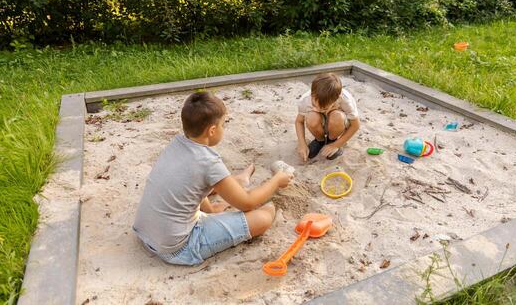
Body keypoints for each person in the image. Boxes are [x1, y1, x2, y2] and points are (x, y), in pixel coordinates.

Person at [133, 91, 292, 265]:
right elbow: (247, 202)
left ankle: (237, 182)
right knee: (264, 217)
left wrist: (211, 210)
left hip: (145, 233)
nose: (224, 128)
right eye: (224, 124)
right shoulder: (208, 161)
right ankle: (238, 184)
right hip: (177, 247)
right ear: (212, 130)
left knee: (200, 185)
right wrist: (277, 180)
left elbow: (193, 187)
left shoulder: (176, 143)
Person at [295, 73, 360, 161]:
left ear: (337, 99)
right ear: (312, 94)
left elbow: (355, 125)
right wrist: (302, 144)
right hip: (319, 121)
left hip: (337, 122)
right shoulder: (305, 99)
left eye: (323, 108)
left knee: (337, 116)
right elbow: (299, 121)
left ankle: (332, 140)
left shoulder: (346, 100)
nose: (317, 109)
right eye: (314, 105)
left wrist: (336, 145)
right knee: (311, 116)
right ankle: (320, 141)